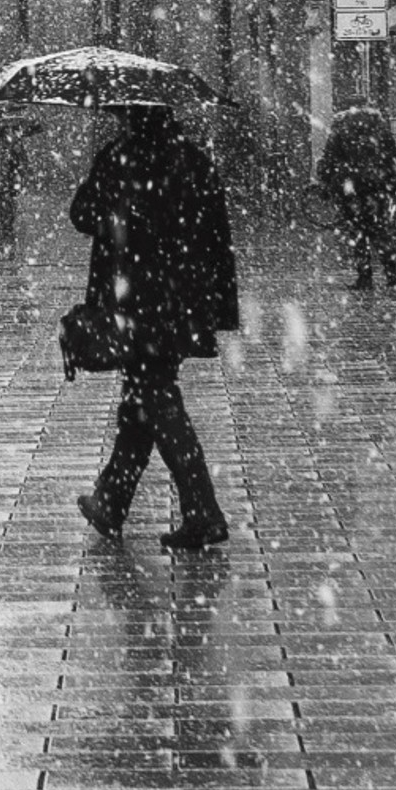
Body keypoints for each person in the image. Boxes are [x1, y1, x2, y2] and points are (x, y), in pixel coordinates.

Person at [68, 103, 237, 552]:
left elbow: (81, 214)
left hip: (135, 300)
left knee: (156, 399)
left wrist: (111, 205)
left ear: (130, 116)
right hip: (180, 300)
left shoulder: (120, 156)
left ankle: (203, 513)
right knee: (141, 400)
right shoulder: (193, 158)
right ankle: (111, 501)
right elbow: (217, 233)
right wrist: (214, 301)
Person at [316, 106, 396, 291]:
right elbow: (393, 156)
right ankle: (392, 275)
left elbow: (330, 157)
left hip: (352, 188)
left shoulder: (341, 126)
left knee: (358, 233)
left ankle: (365, 277)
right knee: (381, 231)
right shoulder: (379, 126)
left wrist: (326, 182)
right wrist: (391, 184)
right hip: (377, 187)